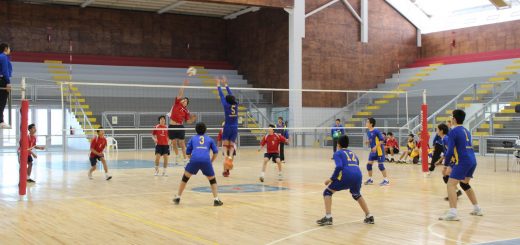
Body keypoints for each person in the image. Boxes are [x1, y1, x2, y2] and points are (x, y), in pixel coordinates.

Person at [316, 135, 374, 226]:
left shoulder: (337, 153)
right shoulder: (353, 153)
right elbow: (356, 163)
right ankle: (369, 216)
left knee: (327, 192)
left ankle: (328, 217)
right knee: (356, 194)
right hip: (358, 175)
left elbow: (339, 166)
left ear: (338, 144)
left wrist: (331, 179)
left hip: (347, 175)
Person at [439, 109, 482, 221]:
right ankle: (477, 208)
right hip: (472, 160)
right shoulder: (466, 131)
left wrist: (446, 165)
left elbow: (449, 152)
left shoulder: (453, 131)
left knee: (450, 184)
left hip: (463, 161)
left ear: (454, 119)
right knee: (464, 184)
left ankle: (453, 213)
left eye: (451, 117)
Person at [172, 122, 223, 206]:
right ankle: (216, 200)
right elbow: (215, 152)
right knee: (212, 180)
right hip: (206, 160)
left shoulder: (192, 138)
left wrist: (192, 159)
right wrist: (211, 161)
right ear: (205, 130)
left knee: (185, 178)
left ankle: (178, 197)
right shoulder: (209, 139)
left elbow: (188, 153)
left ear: (196, 130)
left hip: (194, 159)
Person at [168, 79, 197, 165]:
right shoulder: (177, 103)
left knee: (182, 143)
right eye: (183, 100)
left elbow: (188, 121)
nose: (184, 101)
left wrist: (193, 119)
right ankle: (177, 157)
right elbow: (180, 93)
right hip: (172, 126)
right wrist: (184, 85)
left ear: (186, 104)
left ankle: (185, 159)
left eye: (186, 101)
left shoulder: (186, 111)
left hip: (180, 127)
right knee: (173, 143)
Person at [217, 76, 239, 177]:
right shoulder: (236, 104)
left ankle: (226, 156)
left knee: (225, 144)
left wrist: (218, 85)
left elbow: (221, 96)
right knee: (231, 145)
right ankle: (229, 157)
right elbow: (231, 95)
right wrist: (226, 84)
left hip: (227, 126)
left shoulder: (226, 106)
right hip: (235, 127)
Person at [436, 122, 463, 201]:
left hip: (456, 160)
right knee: (445, 174)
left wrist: (445, 165)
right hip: (452, 160)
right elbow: (446, 153)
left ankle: (454, 192)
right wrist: (439, 160)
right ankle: (456, 191)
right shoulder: (444, 139)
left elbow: (451, 151)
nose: (436, 131)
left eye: (437, 129)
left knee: (447, 174)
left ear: (441, 131)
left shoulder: (446, 139)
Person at [364, 118, 389, 186]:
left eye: (367, 122)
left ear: (371, 124)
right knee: (369, 165)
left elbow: (382, 140)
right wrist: (368, 142)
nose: (366, 123)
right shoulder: (368, 131)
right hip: (373, 151)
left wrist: (375, 147)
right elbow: (372, 139)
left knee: (380, 166)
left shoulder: (376, 131)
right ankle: (370, 179)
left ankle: (386, 180)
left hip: (379, 150)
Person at [0, 43, 13, 129]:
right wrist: (8, 82)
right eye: (9, 48)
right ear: (5, 48)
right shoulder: (3, 57)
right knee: (2, 102)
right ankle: (1, 121)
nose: (9, 50)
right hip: (3, 80)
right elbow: (5, 70)